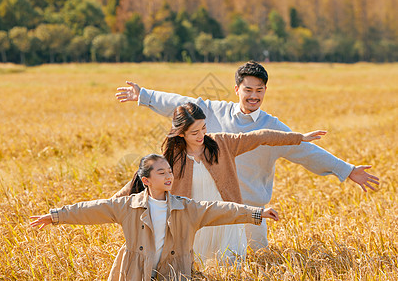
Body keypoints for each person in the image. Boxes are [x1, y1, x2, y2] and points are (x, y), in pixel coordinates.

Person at [114, 61, 380, 250]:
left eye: (259, 90)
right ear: (237, 90)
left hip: (251, 210)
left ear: (265, 91)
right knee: (199, 260)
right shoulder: (213, 111)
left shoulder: (272, 126)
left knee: (259, 258)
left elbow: (306, 150)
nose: (254, 96)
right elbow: (178, 103)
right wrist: (144, 95)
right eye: (248, 90)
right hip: (211, 210)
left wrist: (346, 170)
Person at [113, 102, 325, 263]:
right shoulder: (172, 156)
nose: (202, 135)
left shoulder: (222, 142)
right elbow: (141, 181)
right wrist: (111, 204)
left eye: (204, 128)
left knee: (231, 264)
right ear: (181, 133)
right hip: (195, 222)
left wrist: (298, 137)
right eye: (194, 132)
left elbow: (259, 136)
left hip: (225, 218)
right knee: (196, 267)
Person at [30, 154, 279, 281]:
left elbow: (220, 209)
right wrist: (55, 216)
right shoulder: (127, 206)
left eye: (170, 171)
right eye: (162, 173)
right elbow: (91, 209)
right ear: (146, 180)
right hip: (136, 272)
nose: (169, 176)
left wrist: (256, 213)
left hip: (174, 272)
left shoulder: (187, 208)